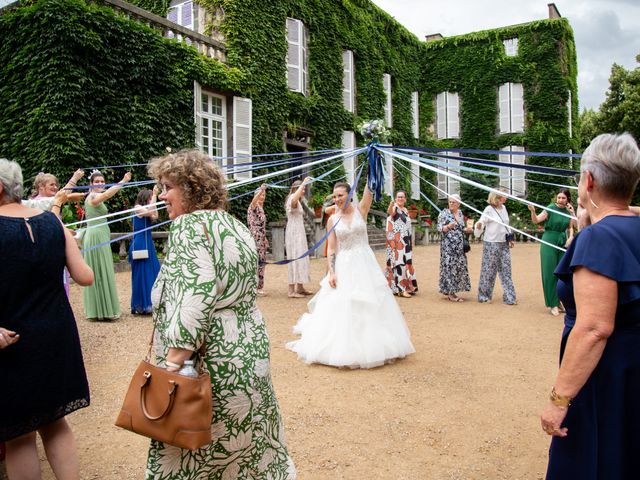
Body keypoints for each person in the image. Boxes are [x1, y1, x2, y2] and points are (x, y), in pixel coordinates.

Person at [146, 150, 296, 479]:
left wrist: (171, 370)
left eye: (167, 186)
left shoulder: (188, 227)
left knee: (193, 460)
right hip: (248, 355)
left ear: (191, 187)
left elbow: (193, 301)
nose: (162, 195)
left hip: (208, 364)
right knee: (246, 454)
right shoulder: (236, 226)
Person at [540, 133, 640, 479]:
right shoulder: (623, 227)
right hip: (633, 368)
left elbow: (595, 327)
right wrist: (590, 223)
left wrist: (558, 401)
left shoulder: (599, 238)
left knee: (595, 458)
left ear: (589, 180)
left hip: (605, 376)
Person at [0, 158, 94, 479]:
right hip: (57, 334)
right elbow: (84, 276)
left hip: (14, 341)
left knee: (19, 434)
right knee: (55, 423)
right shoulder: (53, 223)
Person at [286, 181, 415, 369]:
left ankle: (375, 344)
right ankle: (345, 347)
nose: (337, 199)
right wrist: (331, 271)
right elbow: (331, 247)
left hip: (365, 263)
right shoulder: (332, 219)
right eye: (335, 196)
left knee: (371, 302)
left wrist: (373, 164)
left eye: (340, 195)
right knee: (344, 304)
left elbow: (369, 191)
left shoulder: (360, 210)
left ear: (350, 194)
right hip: (344, 264)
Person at [82, 169, 131, 321]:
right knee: (99, 269)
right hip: (96, 236)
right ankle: (101, 310)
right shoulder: (93, 196)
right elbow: (107, 194)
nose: (100, 183)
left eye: (102, 181)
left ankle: (102, 309)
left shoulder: (96, 196)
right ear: (90, 184)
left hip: (101, 234)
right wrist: (123, 181)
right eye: (97, 181)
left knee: (103, 269)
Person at [528, 188, 575, 315]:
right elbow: (536, 220)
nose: (560, 200)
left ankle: (560, 301)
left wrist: (571, 236)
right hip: (549, 240)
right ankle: (552, 303)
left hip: (562, 241)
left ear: (567, 199)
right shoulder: (550, 208)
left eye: (563, 198)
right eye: (559, 197)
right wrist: (533, 211)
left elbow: (572, 226)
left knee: (562, 273)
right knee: (549, 272)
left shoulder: (568, 211)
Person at [474, 190, 517, 304]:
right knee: (488, 270)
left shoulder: (504, 208)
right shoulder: (489, 209)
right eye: (504, 195)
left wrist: (510, 238)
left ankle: (509, 297)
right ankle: (484, 296)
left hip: (503, 243)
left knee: (506, 270)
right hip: (491, 243)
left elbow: (506, 225)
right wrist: (479, 226)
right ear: (497, 197)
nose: (506, 196)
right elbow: (482, 222)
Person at [129, 187, 161, 314]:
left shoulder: (148, 208)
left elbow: (155, 215)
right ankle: (142, 304)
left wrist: (154, 197)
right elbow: (149, 211)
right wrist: (154, 195)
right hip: (140, 244)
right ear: (144, 199)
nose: (150, 201)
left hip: (149, 244)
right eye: (148, 199)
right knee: (142, 274)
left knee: (152, 271)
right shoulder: (137, 208)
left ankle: (152, 302)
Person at [437, 194, 472, 302]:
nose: (451, 204)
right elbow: (439, 228)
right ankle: (451, 294)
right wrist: (447, 227)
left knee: (458, 267)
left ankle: (451, 290)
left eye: (454, 202)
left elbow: (460, 228)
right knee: (449, 267)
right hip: (448, 246)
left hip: (459, 246)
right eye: (450, 202)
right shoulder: (443, 213)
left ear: (459, 204)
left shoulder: (460, 213)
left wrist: (467, 229)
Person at [385, 190, 418, 298]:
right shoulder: (394, 207)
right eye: (398, 197)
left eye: (402, 197)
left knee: (407, 263)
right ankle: (401, 289)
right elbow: (390, 212)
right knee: (399, 264)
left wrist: (410, 240)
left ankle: (407, 286)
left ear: (405, 199)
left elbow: (407, 226)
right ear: (395, 198)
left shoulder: (405, 210)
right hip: (397, 241)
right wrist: (391, 204)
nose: (400, 199)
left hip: (405, 241)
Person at [285, 177, 313, 298]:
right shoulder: (292, 198)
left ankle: (300, 287)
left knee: (300, 257)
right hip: (294, 232)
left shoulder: (298, 200)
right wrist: (304, 183)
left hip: (298, 232)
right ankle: (291, 291)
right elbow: (293, 201)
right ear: (297, 189)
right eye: (302, 189)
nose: (303, 191)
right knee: (294, 257)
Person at [247, 184, 269, 296]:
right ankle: (255, 288)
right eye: (260, 195)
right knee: (257, 262)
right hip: (255, 238)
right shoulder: (253, 206)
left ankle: (259, 286)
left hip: (261, 239)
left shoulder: (261, 208)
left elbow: (262, 225)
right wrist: (261, 190)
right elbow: (253, 202)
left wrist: (265, 238)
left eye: (264, 195)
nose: (262, 196)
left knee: (262, 262)